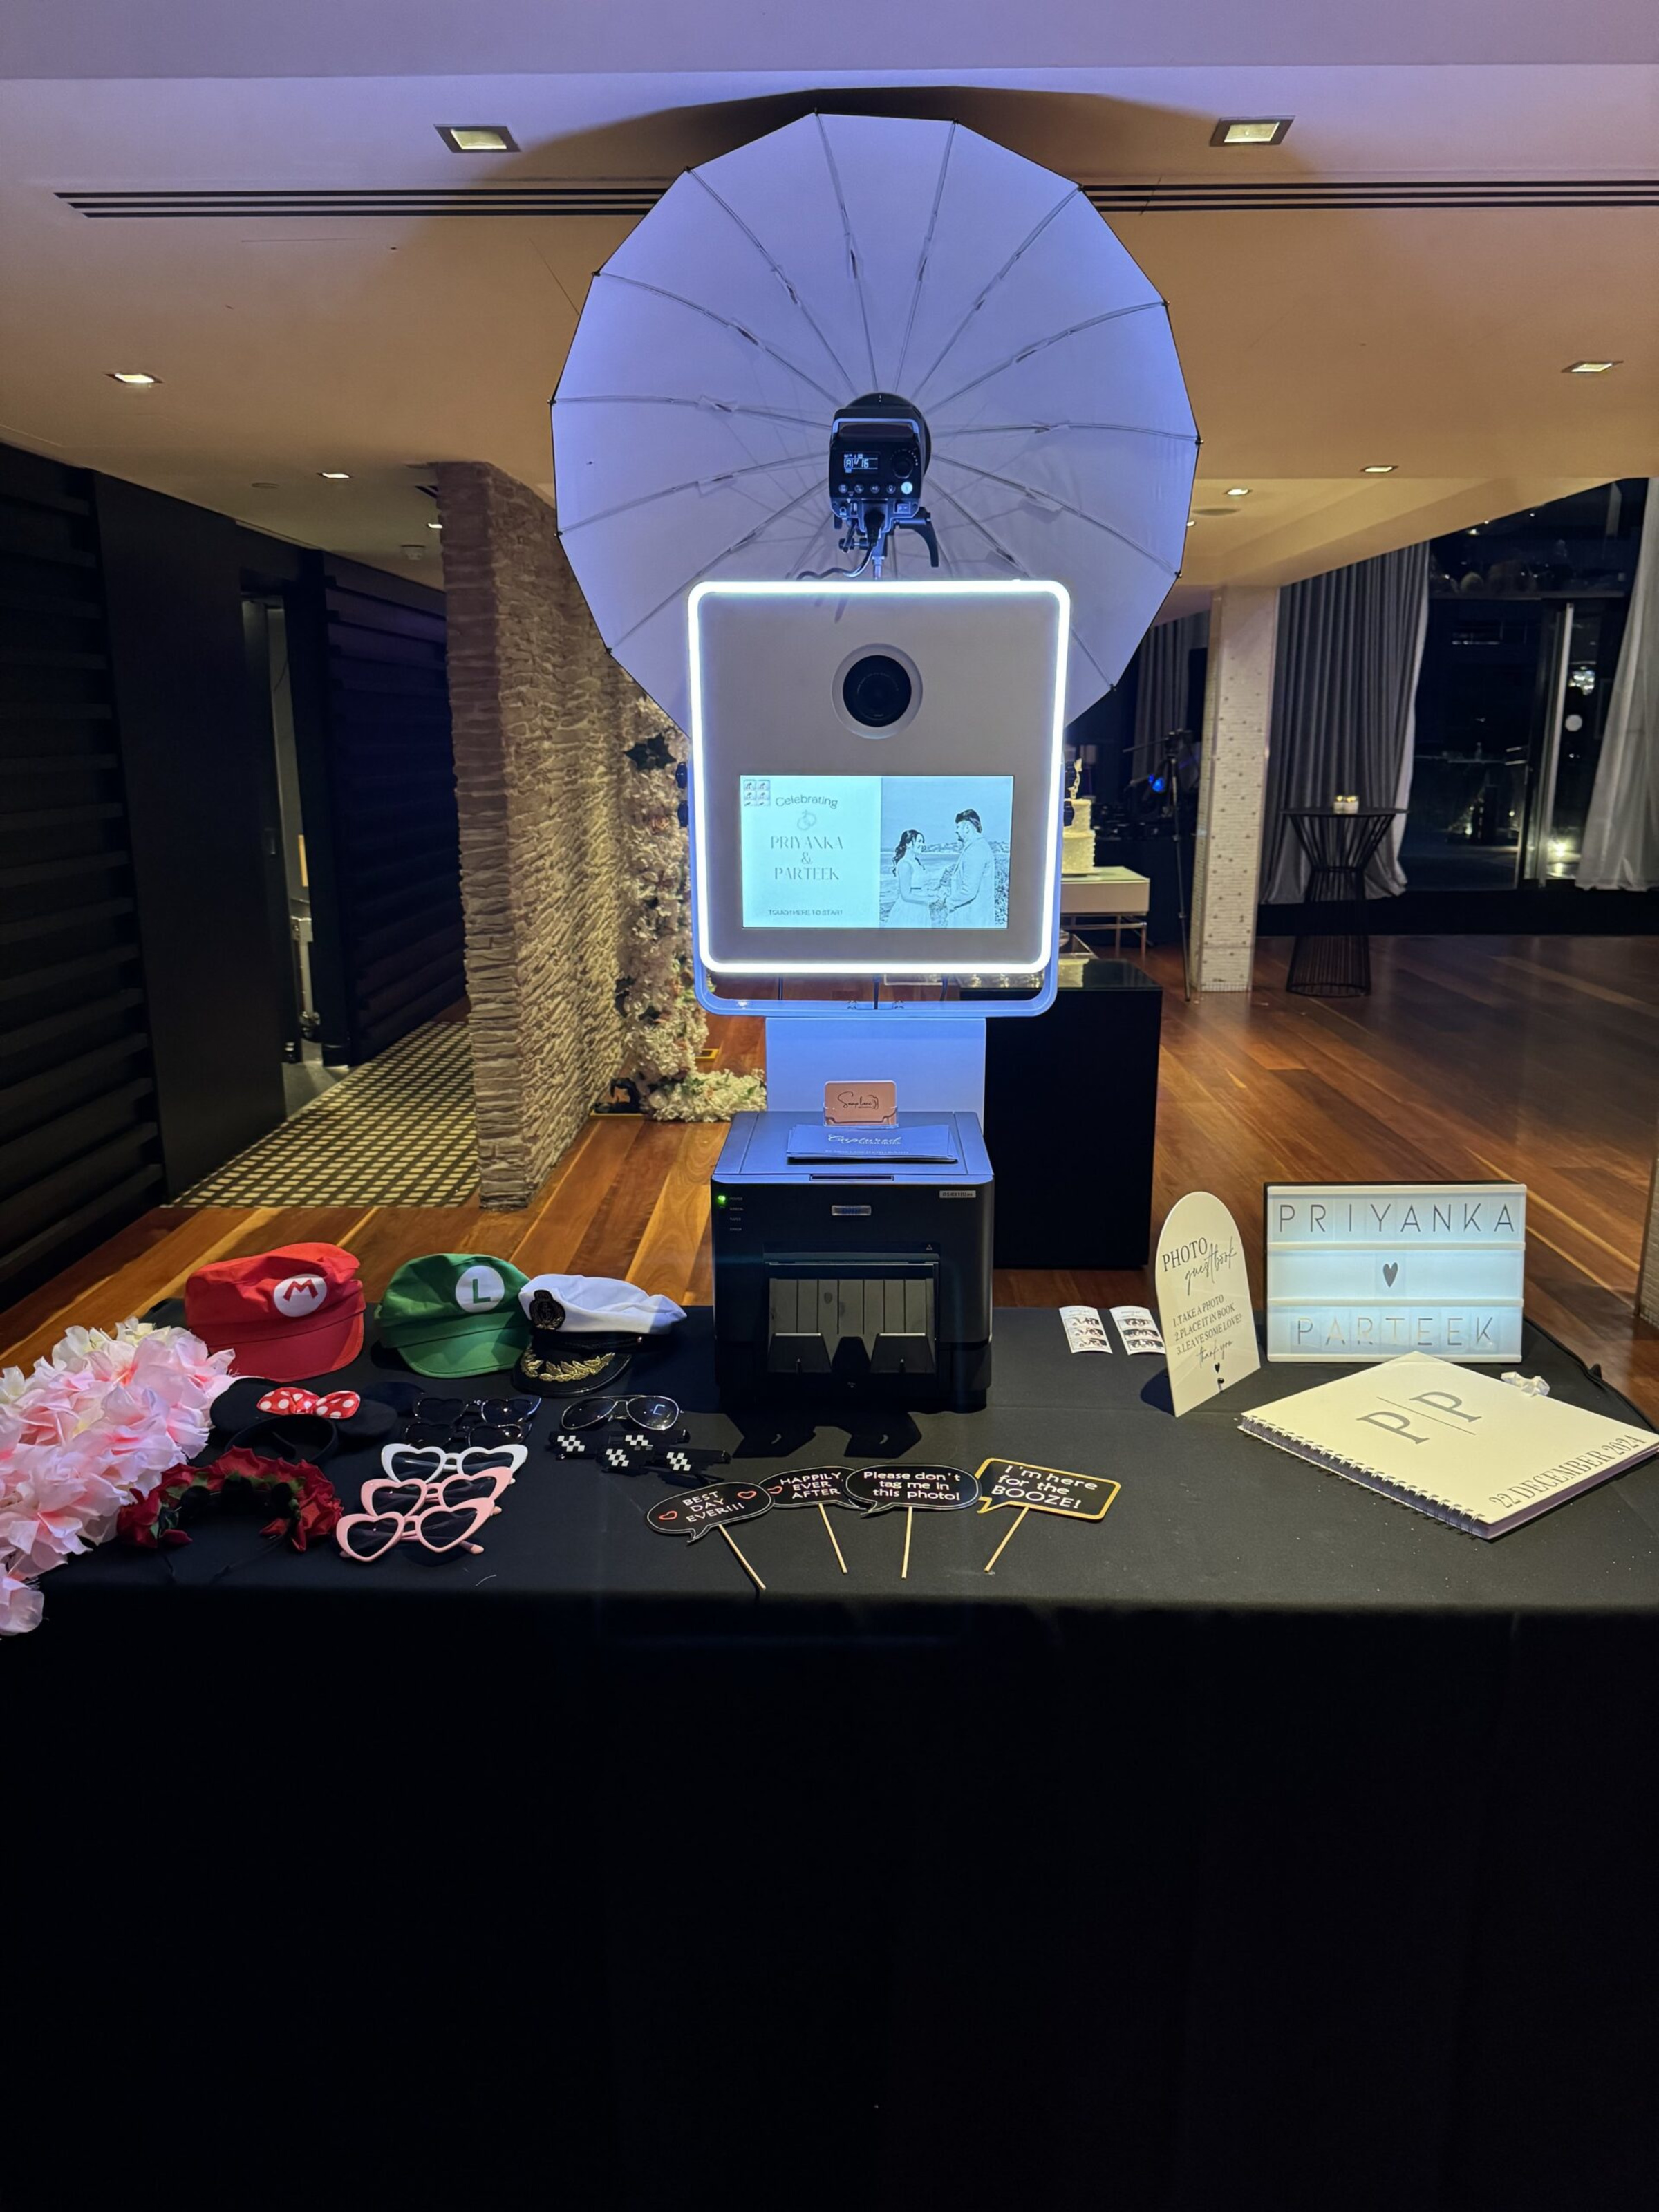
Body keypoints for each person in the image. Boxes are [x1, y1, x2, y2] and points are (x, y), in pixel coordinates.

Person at [942, 808, 996, 926]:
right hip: (975, 919)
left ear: (967, 828)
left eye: (958, 827)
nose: (956, 831)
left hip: (972, 920)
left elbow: (969, 891)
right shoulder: (977, 847)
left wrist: (948, 902)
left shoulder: (975, 850)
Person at [888, 827, 931, 924]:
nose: (922, 845)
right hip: (909, 910)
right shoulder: (905, 864)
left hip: (922, 907)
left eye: (923, 842)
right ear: (908, 844)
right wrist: (930, 899)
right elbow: (906, 895)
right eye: (919, 841)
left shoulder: (917, 862)